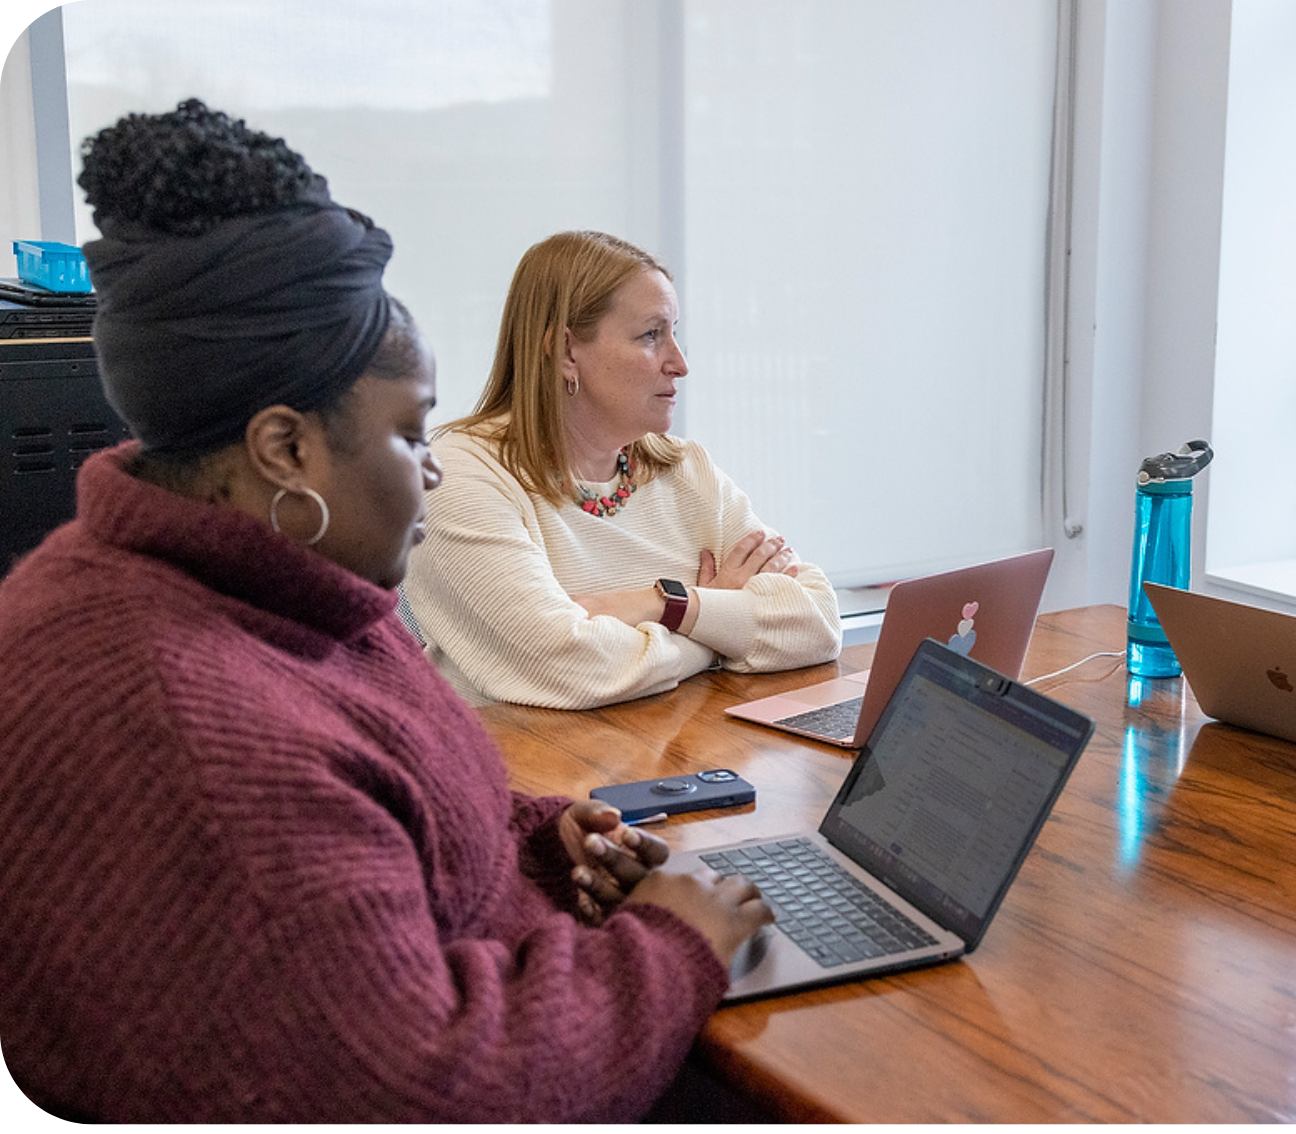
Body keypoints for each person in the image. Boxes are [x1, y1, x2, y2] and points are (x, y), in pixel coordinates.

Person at [0, 101, 770, 1123]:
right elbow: (430, 1091)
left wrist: (539, 839)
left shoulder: (265, 592)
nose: (436, 470)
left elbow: (376, 814)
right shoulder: (201, 733)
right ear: (284, 451)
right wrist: (670, 947)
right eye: (411, 437)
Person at [400, 231, 842, 710]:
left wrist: (669, 604)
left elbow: (817, 622)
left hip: (677, 762)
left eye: (675, 332)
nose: (680, 363)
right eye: (652, 335)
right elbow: (570, 667)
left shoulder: (685, 469)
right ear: (566, 352)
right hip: (525, 773)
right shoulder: (461, 479)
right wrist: (716, 624)